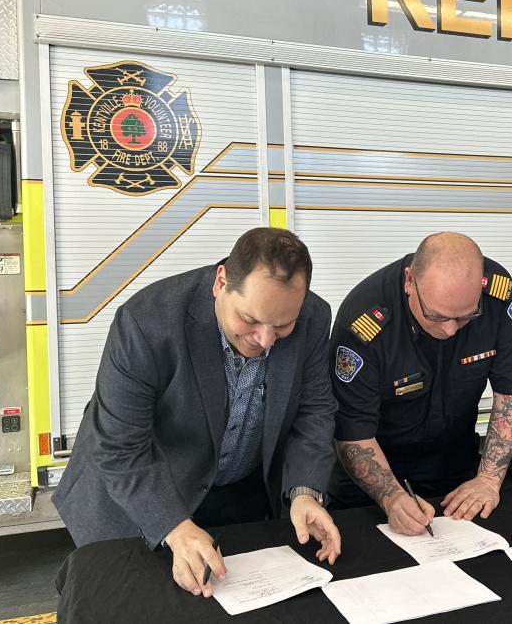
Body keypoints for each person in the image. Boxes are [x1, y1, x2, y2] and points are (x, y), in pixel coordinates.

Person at [53, 227, 341, 598]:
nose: (266, 340)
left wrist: (304, 492)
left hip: (236, 494)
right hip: (139, 496)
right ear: (221, 283)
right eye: (249, 319)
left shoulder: (313, 317)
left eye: (283, 325)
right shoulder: (146, 322)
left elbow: (314, 411)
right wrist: (174, 526)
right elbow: (119, 447)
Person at [328, 232, 512, 535]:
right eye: (436, 316)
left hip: (456, 474)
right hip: (370, 481)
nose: (450, 330)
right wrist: (392, 497)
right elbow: (352, 432)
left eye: (465, 317)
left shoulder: (498, 297)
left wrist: (488, 480)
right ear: (410, 281)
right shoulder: (364, 321)